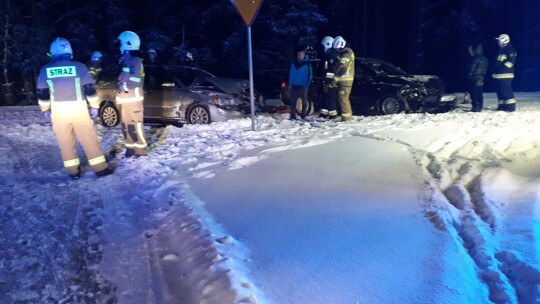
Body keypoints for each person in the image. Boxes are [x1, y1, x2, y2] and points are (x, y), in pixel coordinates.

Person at [36, 37, 114, 179]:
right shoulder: (79, 67)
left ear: (52, 53)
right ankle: (100, 169)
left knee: (65, 142)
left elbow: (42, 93)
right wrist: (95, 106)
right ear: (69, 51)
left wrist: (45, 110)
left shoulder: (45, 70)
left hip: (59, 112)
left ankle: (73, 172)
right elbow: (89, 89)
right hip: (78, 109)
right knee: (89, 139)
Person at [116, 31, 147, 157]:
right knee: (125, 125)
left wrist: (121, 87)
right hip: (125, 99)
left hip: (133, 100)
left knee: (135, 126)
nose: (119, 47)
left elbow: (134, 81)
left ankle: (140, 150)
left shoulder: (136, 61)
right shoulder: (125, 60)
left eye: (120, 44)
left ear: (126, 45)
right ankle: (130, 147)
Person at [332, 36, 355, 121]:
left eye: (337, 48)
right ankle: (345, 117)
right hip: (344, 81)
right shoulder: (346, 52)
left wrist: (335, 79)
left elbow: (342, 67)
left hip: (346, 81)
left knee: (343, 98)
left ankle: (346, 118)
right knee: (342, 98)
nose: (337, 50)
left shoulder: (346, 53)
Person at [492, 34, 517, 112]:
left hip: (505, 75)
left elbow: (511, 62)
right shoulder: (502, 49)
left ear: (504, 40)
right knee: (500, 91)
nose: (498, 42)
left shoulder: (509, 49)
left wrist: (501, 69)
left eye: (499, 40)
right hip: (499, 75)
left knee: (506, 90)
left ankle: (511, 107)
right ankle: (502, 106)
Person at [288, 45, 313, 120]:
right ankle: (293, 115)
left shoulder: (308, 65)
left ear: (304, 55)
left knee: (304, 103)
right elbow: (291, 74)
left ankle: (303, 115)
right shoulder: (293, 64)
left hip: (303, 87)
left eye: (301, 54)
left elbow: (310, 76)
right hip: (294, 86)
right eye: (298, 54)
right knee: (292, 102)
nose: (299, 56)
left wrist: (307, 86)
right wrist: (290, 83)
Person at [319, 36, 340, 119]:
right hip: (327, 81)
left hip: (331, 82)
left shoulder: (331, 55)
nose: (323, 48)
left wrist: (328, 81)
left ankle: (333, 115)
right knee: (325, 97)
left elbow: (331, 70)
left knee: (330, 98)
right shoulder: (329, 54)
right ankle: (323, 114)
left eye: (324, 46)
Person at [467, 43, 489, 112]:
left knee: (474, 92)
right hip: (481, 76)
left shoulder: (476, 58)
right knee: (479, 92)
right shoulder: (485, 58)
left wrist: (469, 75)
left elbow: (472, 68)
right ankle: (480, 106)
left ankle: (475, 106)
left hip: (475, 77)